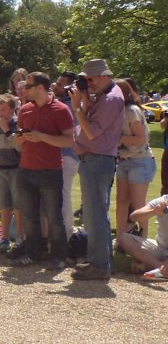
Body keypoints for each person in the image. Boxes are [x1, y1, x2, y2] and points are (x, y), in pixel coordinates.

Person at [12, 72, 73, 270]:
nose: (24, 90)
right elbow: (19, 141)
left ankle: (59, 257)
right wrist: (19, 140)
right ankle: (33, 254)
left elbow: (68, 140)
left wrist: (41, 137)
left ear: (40, 88)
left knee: (54, 217)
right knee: (29, 216)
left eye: (28, 86)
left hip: (50, 170)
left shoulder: (61, 109)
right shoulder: (25, 110)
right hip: (26, 168)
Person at [71, 59, 125, 281]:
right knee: (94, 215)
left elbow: (91, 132)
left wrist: (76, 107)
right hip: (94, 159)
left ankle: (100, 265)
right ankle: (97, 261)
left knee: (95, 216)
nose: (88, 83)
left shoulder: (111, 98)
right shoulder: (104, 94)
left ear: (104, 76)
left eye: (90, 79)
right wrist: (84, 99)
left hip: (97, 160)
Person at [114, 78, 156, 238]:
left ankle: (144, 239)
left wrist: (120, 140)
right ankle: (120, 237)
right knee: (121, 201)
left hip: (140, 161)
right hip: (124, 161)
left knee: (138, 204)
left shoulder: (131, 110)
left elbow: (141, 138)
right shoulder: (116, 110)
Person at [0, 93, 23, 254]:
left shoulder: (18, 125)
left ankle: (20, 239)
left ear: (13, 110)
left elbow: (20, 148)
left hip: (16, 168)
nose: (1, 113)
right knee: (4, 205)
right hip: (0, 168)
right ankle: (5, 238)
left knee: (18, 206)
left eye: (4, 109)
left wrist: (9, 131)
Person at [53, 71, 80, 239]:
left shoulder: (70, 105)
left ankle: (66, 236)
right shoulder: (61, 102)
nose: (56, 85)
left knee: (63, 197)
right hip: (58, 155)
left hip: (67, 156)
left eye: (61, 84)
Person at [117, 194, 168, 280]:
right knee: (123, 238)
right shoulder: (164, 200)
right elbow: (133, 216)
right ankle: (161, 268)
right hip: (160, 247)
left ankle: (149, 267)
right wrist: (153, 211)